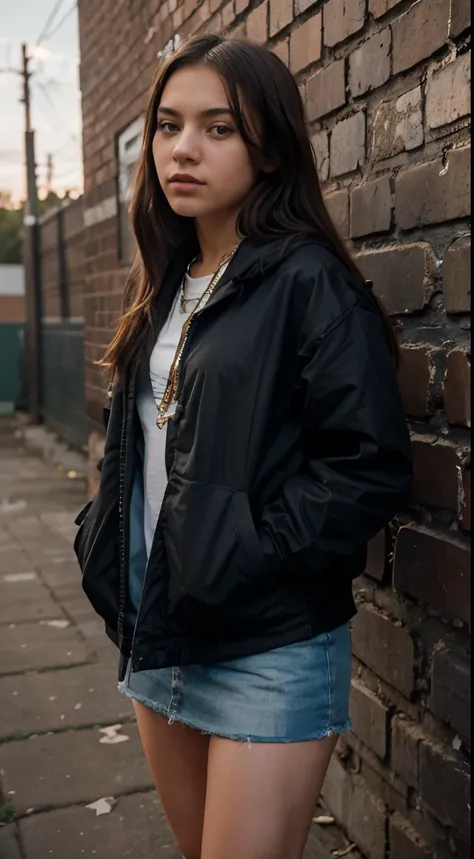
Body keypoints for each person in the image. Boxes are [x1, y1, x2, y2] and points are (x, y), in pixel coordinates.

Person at [74, 34, 412, 859]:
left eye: (219, 128)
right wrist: (101, 530)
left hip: (269, 648)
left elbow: (367, 465)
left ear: (270, 146)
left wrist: (246, 552)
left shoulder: (309, 283)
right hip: (158, 633)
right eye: (168, 125)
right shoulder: (164, 280)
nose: (182, 148)